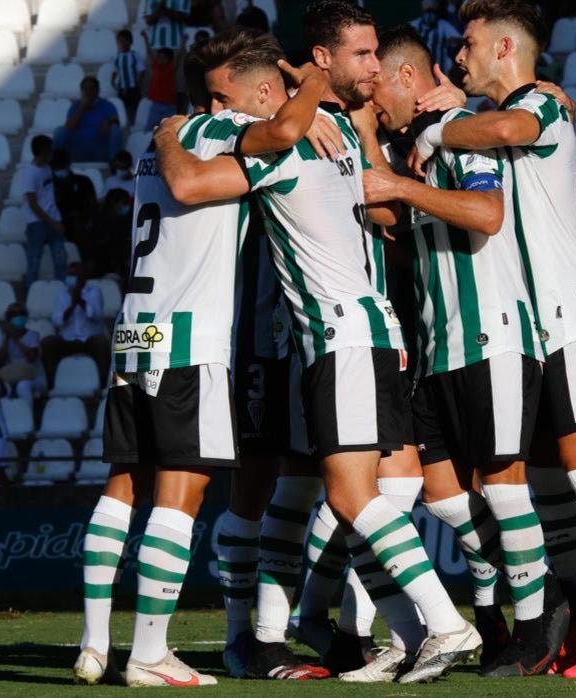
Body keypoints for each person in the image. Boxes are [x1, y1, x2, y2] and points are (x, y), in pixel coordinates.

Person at [158, 7, 483, 684]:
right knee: (343, 495)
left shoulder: (294, 145)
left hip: (340, 337)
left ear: (274, 91)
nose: (223, 113)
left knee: (352, 496)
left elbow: (189, 182)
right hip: (357, 337)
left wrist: (169, 137)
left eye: (233, 100)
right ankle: (396, 632)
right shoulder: (329, 133)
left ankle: (440, 625)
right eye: (363, 54)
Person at [70, 31, 330, 687]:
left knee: (121, 484)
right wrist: (316, 85)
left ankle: (95, 644)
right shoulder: (221, 129)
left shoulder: (158, 141)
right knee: (181, 492)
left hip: (135, 332)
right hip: (189, 337)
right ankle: (150, 653)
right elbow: (279, 135)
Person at [410, 0, 576, 677]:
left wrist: (437, 135)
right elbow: (495, 124)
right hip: (536, 328)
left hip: (572, 314)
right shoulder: (517, 114)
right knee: (549, 484)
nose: (459, 54)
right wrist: (451, 111)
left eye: (470, 43)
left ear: (506, 47)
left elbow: (510, 121)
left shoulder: (540, 107)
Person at [365, 24, 559, 678]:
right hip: (436, 351)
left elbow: (487, 214)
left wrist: (402, 186)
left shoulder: (455, 129)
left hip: (493, 337)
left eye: (378, 84)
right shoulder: (412, 147)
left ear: (407, 80)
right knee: (447, 499)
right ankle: (495, 614)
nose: (374, 97)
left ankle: (533, 631)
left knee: (504, 491)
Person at [41, 262, 109, 390]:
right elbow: (57, 321)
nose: (70, 278)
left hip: (89, 340)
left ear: (83, 276)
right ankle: (51, 386)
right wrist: (72, 305)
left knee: (101, 342)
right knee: (48, 342)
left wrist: (80, 300)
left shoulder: (95, 291)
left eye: (73, 275)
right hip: (67, 340)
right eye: (69, 275)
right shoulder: (62, 294)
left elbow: (96, 315)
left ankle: (102, 385)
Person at [20, 135, 67, 286]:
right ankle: (31, 295)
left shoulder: (47, 168)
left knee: (60, 259)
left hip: (53, 218)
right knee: (34, 261)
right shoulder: (30, 173)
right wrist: (52, 222)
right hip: (38, 223)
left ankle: (63, 292)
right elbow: (32, 203)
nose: (52, 151)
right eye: (49, 149)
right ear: (43, 151)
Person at [54, 77, 123, 163]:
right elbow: (68, 127)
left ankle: (114, 163)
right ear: (81, 91)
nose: (88, 92)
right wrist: (81, 108)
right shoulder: (75, 106)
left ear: (98, 91)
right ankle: (57, 164)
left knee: (115, 129)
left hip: (100, 146)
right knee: (59, 131)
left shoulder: (107, 105)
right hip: (78, 147)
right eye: (85, 89)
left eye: (92, 88)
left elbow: (116, 122)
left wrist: (109, 123)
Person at [51, 149, 99, 256]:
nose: (59, 169)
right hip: (56, 222)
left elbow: (93, 206)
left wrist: (80, 214)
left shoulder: (83, 181)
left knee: (82, 229)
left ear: (68, 165)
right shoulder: (47, 185)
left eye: (61, 166)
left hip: (80, 222)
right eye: (56, 167)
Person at [0, 303, 45, 401]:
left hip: (33, 377)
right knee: (4, 388)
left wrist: (16, 338)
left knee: (23, 386)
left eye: (21, 313)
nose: (18, 316)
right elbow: (1, 360)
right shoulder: (5, 337)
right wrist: (7, 337)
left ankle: (27, 415)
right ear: (9, 318)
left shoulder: (33, 335)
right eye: (14, 314)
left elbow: (32, 358)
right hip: (13, 376)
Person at [140, 31, 180, 131]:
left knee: (172, 131)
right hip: (156, 106)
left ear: (170, 60)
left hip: (170, 106)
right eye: (159, 57)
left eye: (164, 58)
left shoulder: (171, 68)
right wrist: (145, 38)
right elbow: (149, 52)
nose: (161, 60)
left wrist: (183, 41)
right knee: (148, 131)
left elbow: (179, 54)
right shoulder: (155, 67)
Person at [411, 0, 462, 73]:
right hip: (419, 68)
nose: (429, 15)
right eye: (427, 11)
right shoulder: (414, 25)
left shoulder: (443, 25)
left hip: (439, 70)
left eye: (432, 11)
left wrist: (453, 42)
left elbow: (459, 39)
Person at [111, 29, 146, 126]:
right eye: (120, 41)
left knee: (134, 107)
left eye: (125, 40)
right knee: (123, 107)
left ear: (130, 42)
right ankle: (126, 124)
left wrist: (138, 82)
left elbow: (141, 70)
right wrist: (113, 80)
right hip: (122, 88)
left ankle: (134, 125)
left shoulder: (135, 55)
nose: (122, 43)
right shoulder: (117, 57)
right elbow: (116, 70)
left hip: (133, 88)